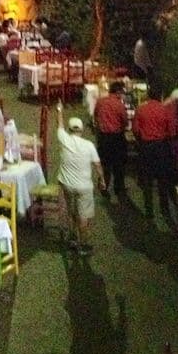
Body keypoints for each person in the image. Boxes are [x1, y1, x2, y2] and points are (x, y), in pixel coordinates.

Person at [55, 102, 103, 252]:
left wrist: (60, 110)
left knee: (71, 211)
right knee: (84, 216)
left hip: (67, 184)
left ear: (70, 130)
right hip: (84, 186)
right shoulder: (89, 145)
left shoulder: (64, 139)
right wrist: (102, 179)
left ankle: (73, 238)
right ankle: (83, 244)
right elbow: (97, 165)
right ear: (82, 130)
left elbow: (60, 124)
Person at [132, 86, 177, 223]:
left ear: (149, 95)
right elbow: (172, 131)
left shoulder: (141, 109)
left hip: (146, 147)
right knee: (162, 179)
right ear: (161, 95)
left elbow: (135, 129)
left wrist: (142, 139)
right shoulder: (165, 110)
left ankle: (149, 210)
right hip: (161, 147)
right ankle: (164, 208)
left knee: (147, 180)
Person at [93, 81, 129, 199]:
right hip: (117, 137)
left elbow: (95, 115)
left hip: (103, 137)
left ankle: (104, 186)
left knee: (105, 165)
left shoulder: (101, 101)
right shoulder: (119, 105)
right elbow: (124, 121)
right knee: (118, 165)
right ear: (118, 92)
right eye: (122, 92)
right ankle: (119, 189)